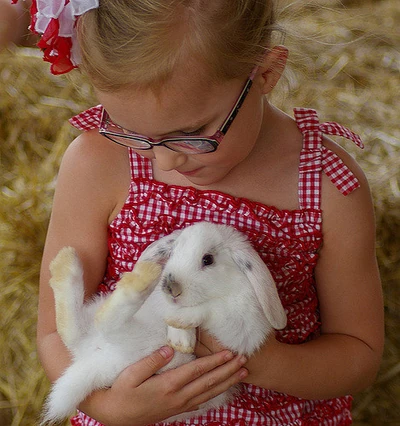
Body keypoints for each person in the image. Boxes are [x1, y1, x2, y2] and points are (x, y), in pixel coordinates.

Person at [28, 0, 384, 424]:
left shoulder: (328, 185)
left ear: (265, 73)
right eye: (132, 132)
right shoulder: (97, 162)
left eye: (191, 133)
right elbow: (55, 330)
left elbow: (358, 351)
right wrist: (106, 407)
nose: (164, 161)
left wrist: (261, 361)